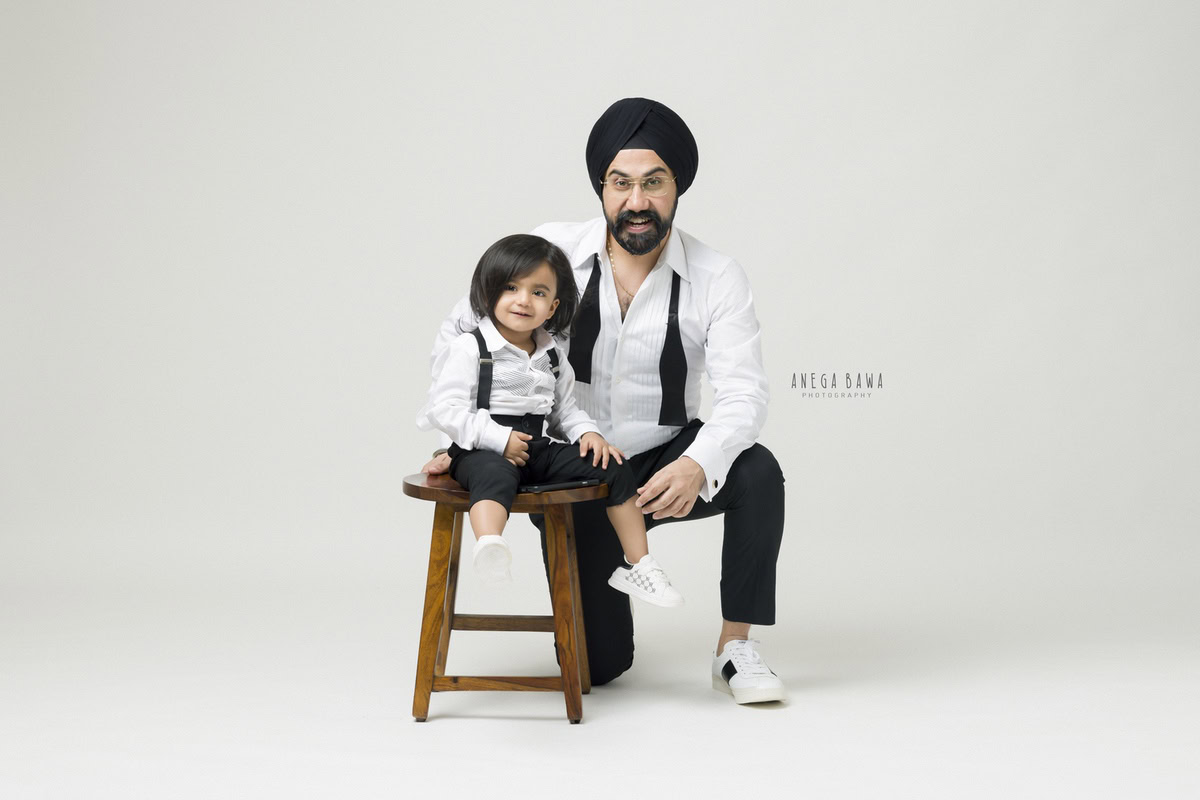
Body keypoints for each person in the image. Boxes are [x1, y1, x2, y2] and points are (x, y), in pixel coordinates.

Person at [423, 98, 785, 705]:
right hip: (575, 466)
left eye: (654, 182)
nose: (636, 201)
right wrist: (466, 439)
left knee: (758, 471)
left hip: (666, 461)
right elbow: (464, 336)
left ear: (677, 188)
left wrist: (698, 462)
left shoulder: (718, 276)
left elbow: (745, 392)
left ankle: (735, 647)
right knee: (599, 669)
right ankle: (608, 602)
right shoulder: (549, 252)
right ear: (601, 186)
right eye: (621, 183)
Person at [416, 233, 683, 607]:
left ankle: (640, 564)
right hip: (481, 447)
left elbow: (564, 410)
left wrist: (589, 434)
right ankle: (490, 544)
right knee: (495, 476)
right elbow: (443, 408)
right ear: (490, 290)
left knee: (612, 464)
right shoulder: (471, 347)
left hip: (535, 446)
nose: (524, 300)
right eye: (511, 287)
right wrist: (496, 438)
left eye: (538, 292)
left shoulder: (552, 354)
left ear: (553, 306)